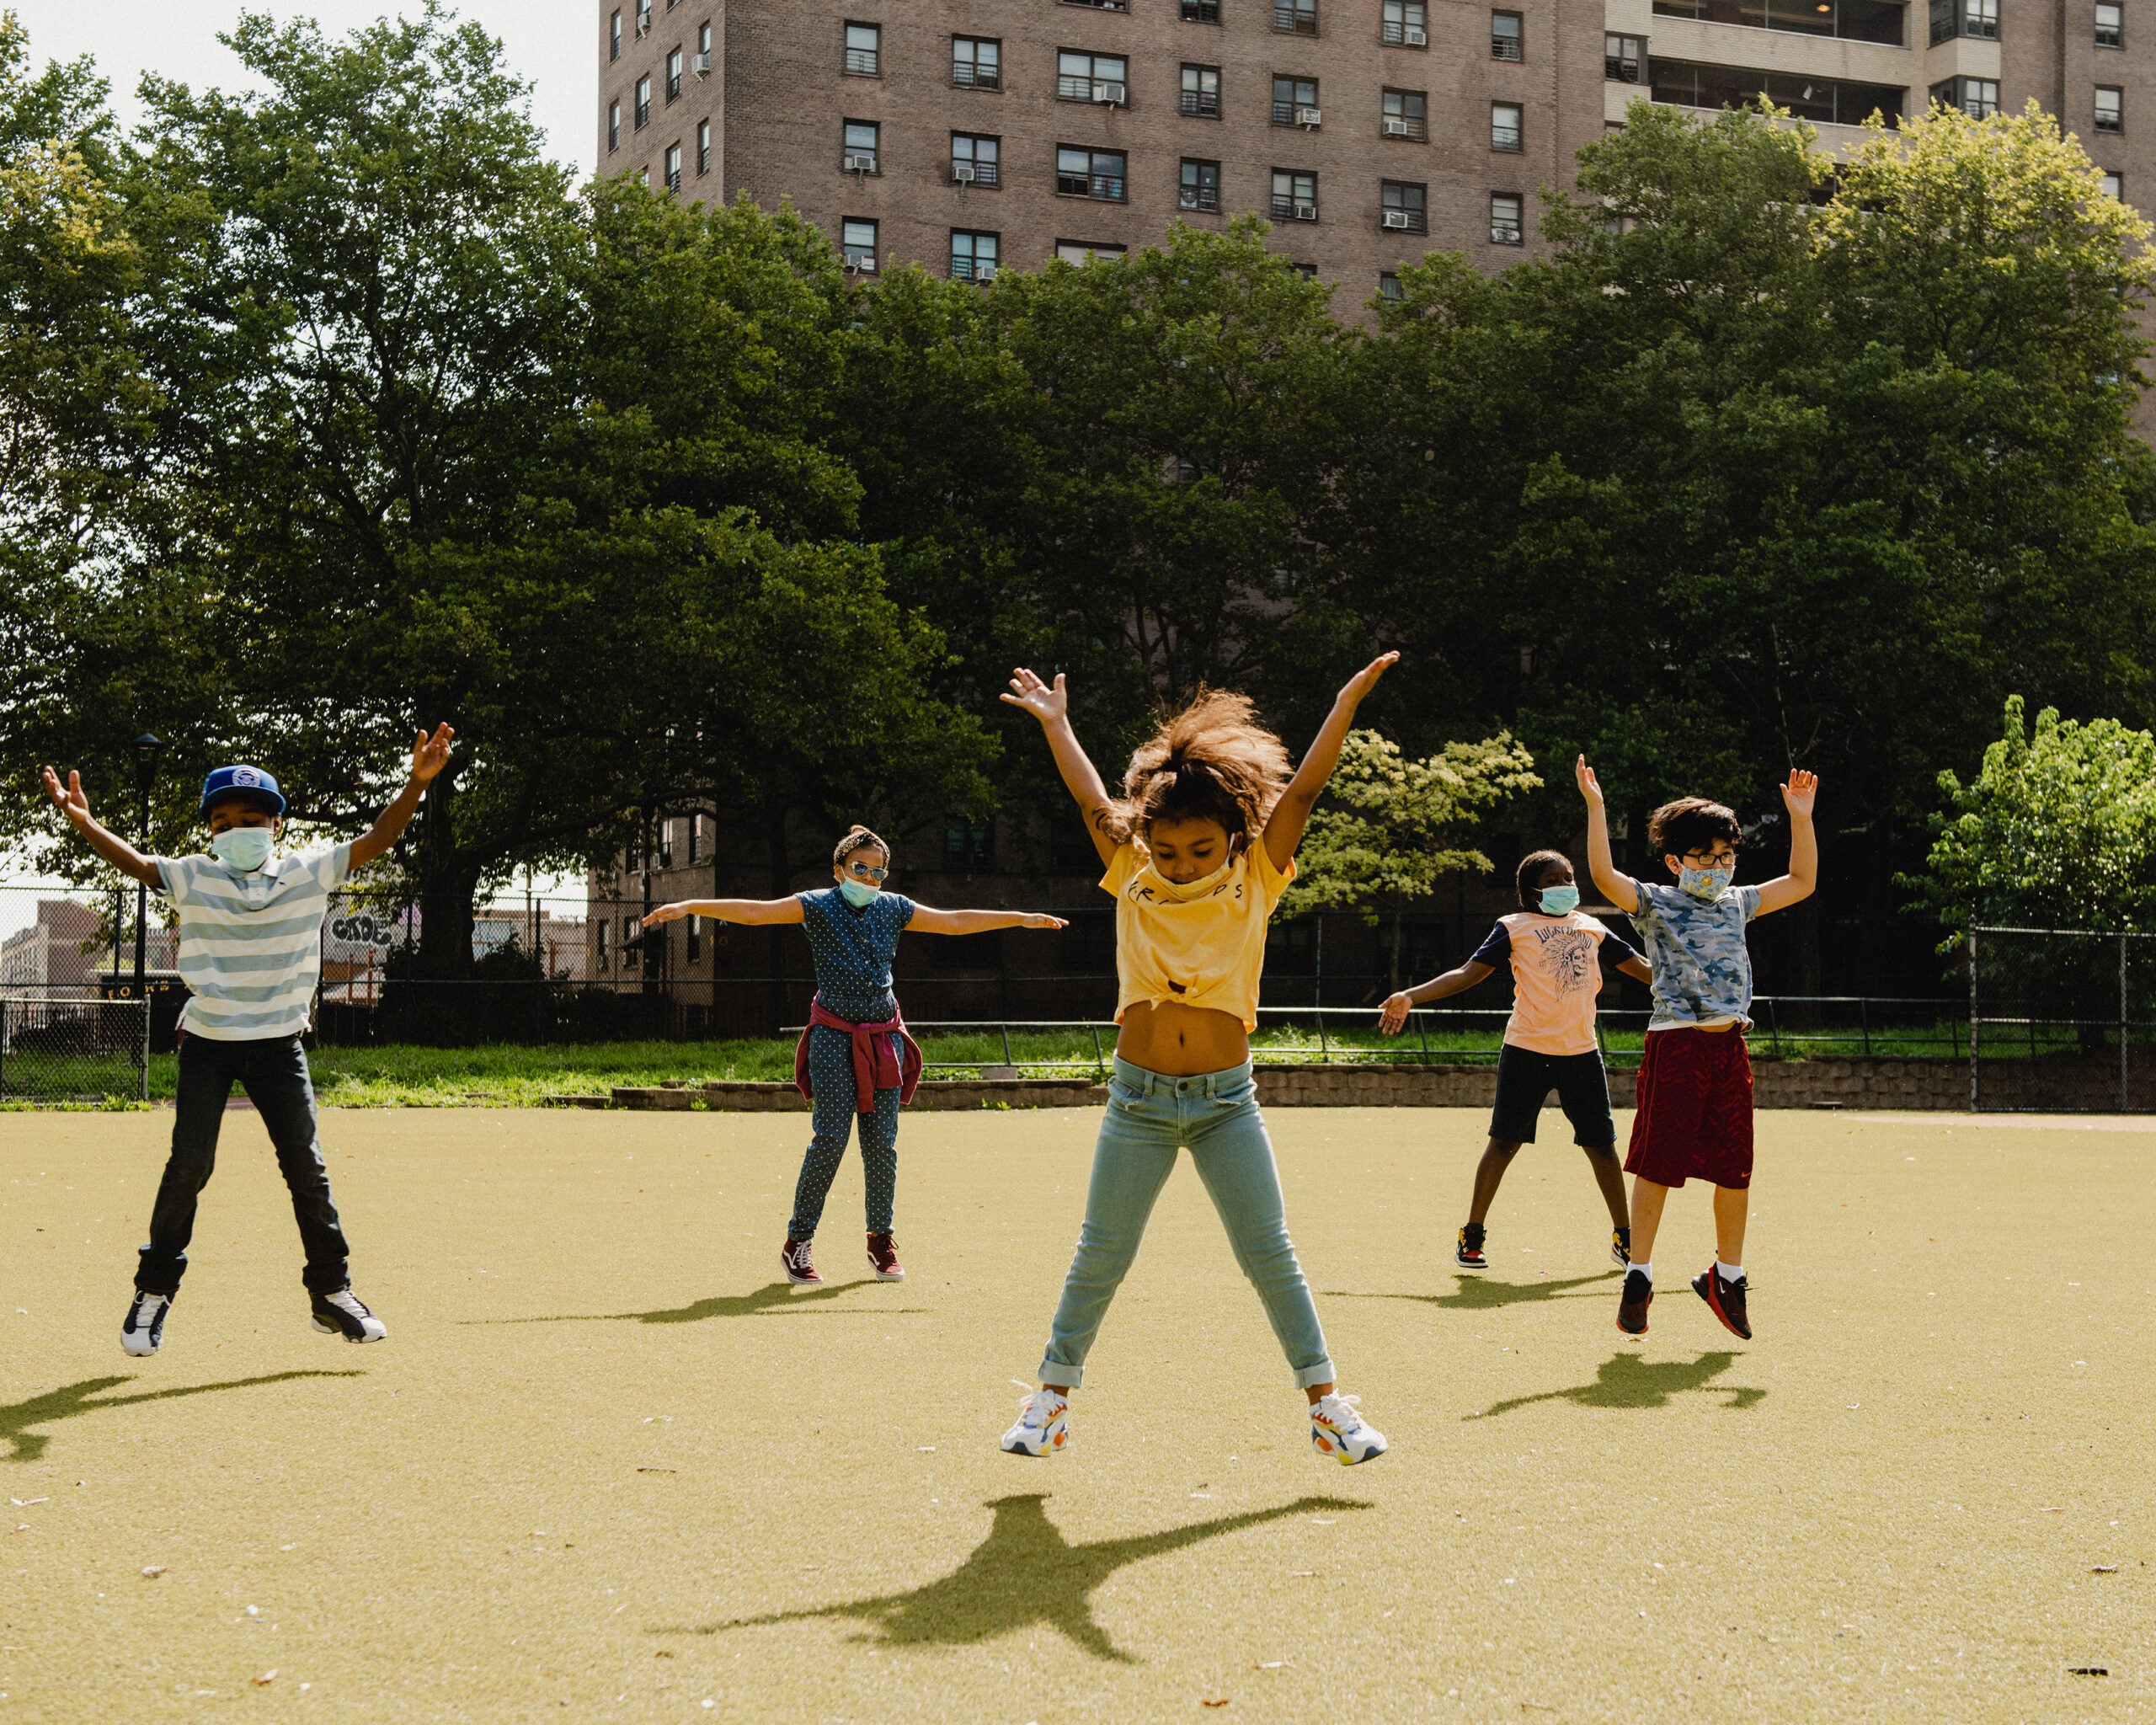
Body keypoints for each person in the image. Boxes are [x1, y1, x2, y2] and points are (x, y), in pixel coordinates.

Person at [996, 657, 1397, 1467]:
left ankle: (1327, 1407)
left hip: (1225, 1105)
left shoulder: (1258, 873)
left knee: (1269, 1255)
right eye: (1169, 849)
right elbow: (1089, 800)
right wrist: (1056, 723)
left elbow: (1307, 792)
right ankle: (1050, 1400)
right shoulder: (1132, 871)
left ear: (1234, 839)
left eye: (1199, 849)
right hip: (1137, 1103)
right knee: (1099, 1254)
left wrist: (1343, 703)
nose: (1182, 863)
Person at [40, 728, 456, 1357]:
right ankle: (154, 1292)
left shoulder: (307, 873)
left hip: (280, 1046)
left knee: (307, 1171)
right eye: (223, 819)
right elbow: (136, 862)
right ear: (210, 830)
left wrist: (417, 784)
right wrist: (86, 824)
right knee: (190, 1166)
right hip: (208, 1043)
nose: (237, 828)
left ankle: (331, 1291)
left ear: (276, 825)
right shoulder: (193, 876)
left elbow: (379, 838)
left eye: (251, 817)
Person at [644, 828, 1067, 1286]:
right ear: (839, 870)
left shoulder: (894, 908)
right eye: (859, 869)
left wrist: (1021, 918)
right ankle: (797, 1243)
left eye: (876, 871)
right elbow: (756, 912)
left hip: (885, 1039)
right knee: (830, 1139)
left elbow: (953, 921)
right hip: (833, 1036)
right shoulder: (817, 904)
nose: (867, 878)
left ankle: (880, 1241)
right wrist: (690, 906)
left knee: (881, 1145)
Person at [1576, 758, 1818, 1339]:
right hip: (1676, 1046)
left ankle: (1727, 1277)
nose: (1716, 867)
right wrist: (1596, 807)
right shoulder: (1657, 902)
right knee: (1659, 1164)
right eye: (1704, 857)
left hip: (1729, 1045)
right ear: (1675, 862)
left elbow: (1803, 882)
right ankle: (1639, 1274)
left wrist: (1801, 820)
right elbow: (1605, 877)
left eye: (1725, 857)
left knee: (1736, 1169)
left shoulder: (1739, 902)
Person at [1377, 848, 1654, 1273]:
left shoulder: (1592, 927)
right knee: (1503, 1142)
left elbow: (1644, 969)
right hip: (1526, 1050)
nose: (1566, 886)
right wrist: (1410, 995)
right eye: (1555, 880)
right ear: (1532, 891)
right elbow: (1468, 974)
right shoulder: (1513, 927)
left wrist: (1702, 995)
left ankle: (1625, 1237)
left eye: (1569, 878)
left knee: (1602, 1147)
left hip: (1581, 1053)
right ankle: (1472, 1235)